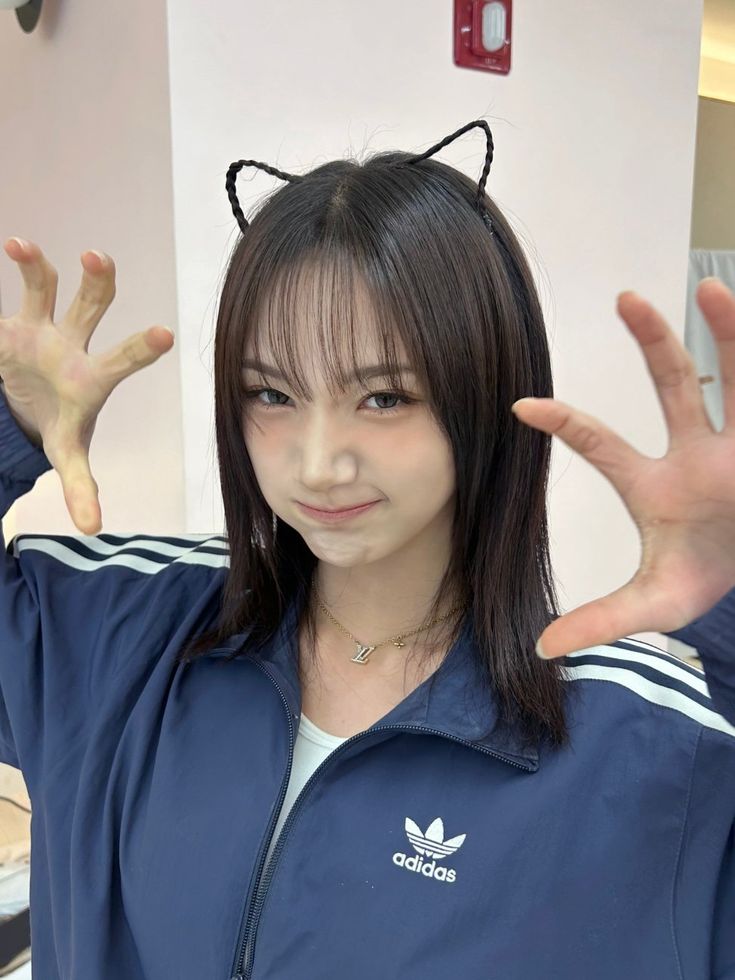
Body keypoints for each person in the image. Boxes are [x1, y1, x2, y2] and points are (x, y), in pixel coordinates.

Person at [0, 119, 733, 979]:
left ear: (487, 391)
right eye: (271, 393)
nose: (317, 463)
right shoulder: (114, 630)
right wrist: (8, 428)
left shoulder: (643, 749)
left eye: (383, 398)